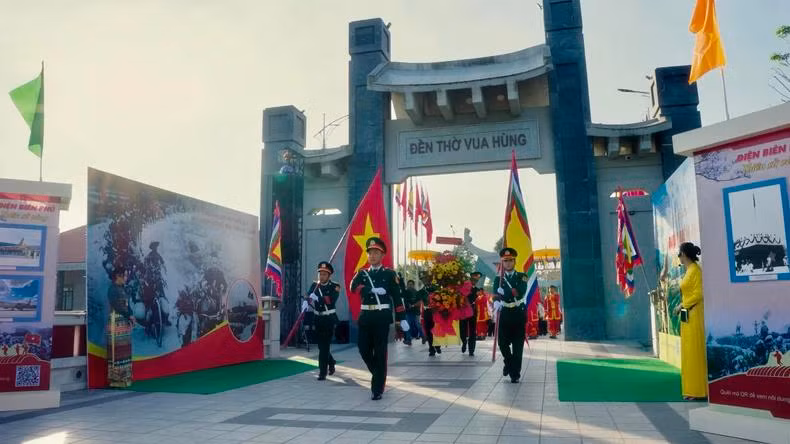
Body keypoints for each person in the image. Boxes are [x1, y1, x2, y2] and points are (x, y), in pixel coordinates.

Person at [350, 237, 407, 400]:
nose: (372, 256)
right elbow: (353, 287)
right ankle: (378, 373)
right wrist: (370, 290)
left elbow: (397, 297)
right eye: (370, 253)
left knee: (380, 352)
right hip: (365, 317)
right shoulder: (362, 273)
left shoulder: (389, 274)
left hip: (381, 318)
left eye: (376, 253)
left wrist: (401, 318)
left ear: (382, 255)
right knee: (363, 349)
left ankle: (377, 389)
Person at [673, 242, 707, 400]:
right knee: (688, 350)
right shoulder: (689, 271)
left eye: (679, 254)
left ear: (685, 255)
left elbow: (699, 294)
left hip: (693, 312)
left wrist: (682, 305)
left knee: (694, 350)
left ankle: (698, 390)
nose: (678, 257)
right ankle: (691, 388)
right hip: (687, 313)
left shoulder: (695, 270)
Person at [492, 247, 528, 383]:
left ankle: (515, 374)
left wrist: (504, 292)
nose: (508, 263)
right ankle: (508, 362)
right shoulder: (498, 279)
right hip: (505, 313)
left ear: (514, 261)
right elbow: (495, 294)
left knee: (518, 346)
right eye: (505, 261)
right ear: (502, 262)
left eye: (510, 260)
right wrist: (496, 301)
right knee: (502, 343)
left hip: (518, 312)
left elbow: (520, 292)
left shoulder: (522, 276)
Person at [307, 261, 339, 381]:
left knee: (325, 346)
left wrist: (318, 298)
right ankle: (331, 361)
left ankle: (322, 372)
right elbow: (309, 295)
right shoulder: (314, 285)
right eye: (320, 274)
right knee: (321, 346)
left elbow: (331, 300)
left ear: (329, 276)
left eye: (324, 274)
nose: (322, 276)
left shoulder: (334, 286)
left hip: (329, 319)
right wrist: (306, 301)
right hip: (318, 319)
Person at [106, 267, 136, 387]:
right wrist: (129, 315)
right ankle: (116, 380)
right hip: (116, 321)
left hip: (124, 322)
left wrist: (131, 315)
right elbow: (118, 306)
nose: (126, 278)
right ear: (118, 276)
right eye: (125, 275)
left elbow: (127, 305)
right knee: (117, 350)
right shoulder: (112, 289)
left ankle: (125, 377)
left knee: (125, 349)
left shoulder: (122, 288)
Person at [416, 272, 441, 356]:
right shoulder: (421, 291)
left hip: (435, 311)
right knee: (428, 330)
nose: (425, 280)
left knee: (436, 329)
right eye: (423, 279)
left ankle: (437, 345)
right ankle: (431, 348)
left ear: (429, 279)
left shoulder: (436, 288)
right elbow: (417, 300)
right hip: (427, 311)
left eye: (426, 278)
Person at [460, 271, 483, 356]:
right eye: (474, 279)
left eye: (477, 280)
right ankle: (464, 341)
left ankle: (471, 349)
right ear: (470, 278)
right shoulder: (463, 287)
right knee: (462, 329)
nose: (475, 281)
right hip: (463, 311)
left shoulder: (477, 290)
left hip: (473, 311)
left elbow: (475, 298)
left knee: (472, 331)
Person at [403, 279, 423, 345]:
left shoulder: (417, 292)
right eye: (408, 285)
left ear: (413, 285)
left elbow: (420, 302)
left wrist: (413, 305)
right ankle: (408, 340)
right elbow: (404, 301)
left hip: (416, 312)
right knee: (407, 325)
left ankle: (423, 336)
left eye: (411, 284)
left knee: (417, 324)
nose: (410, 286)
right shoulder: (405, 292)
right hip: (408, 312)